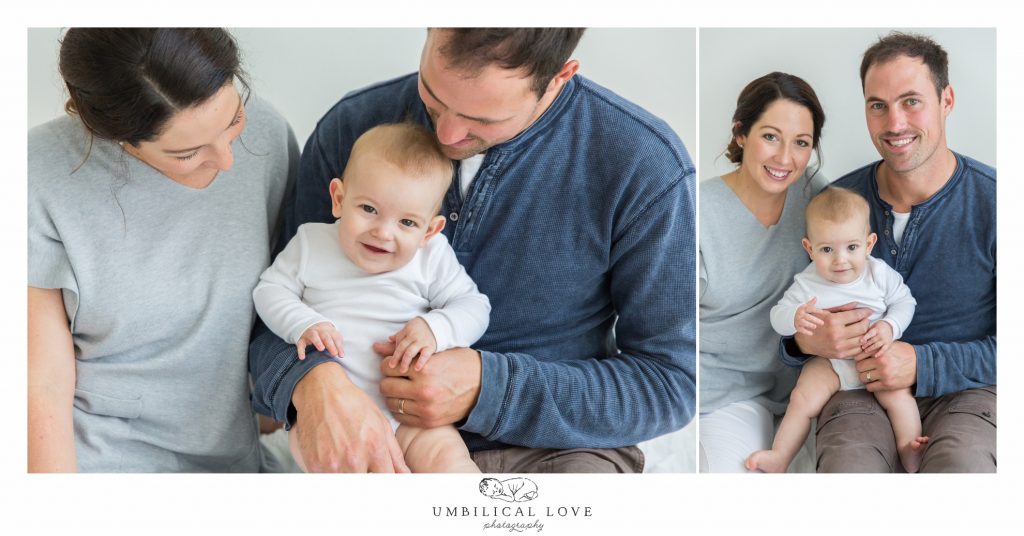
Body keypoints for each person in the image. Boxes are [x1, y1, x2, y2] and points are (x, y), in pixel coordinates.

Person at [249, 28, 696, 473]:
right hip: (365, 426)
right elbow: (269, 315)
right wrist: (311, 381)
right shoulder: (352, 126)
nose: (445, 134)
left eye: (483, 119)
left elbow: (670, 384)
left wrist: (490, 389)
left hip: (555, 449)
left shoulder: (644, 165)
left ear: (559, 77)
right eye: (432, 96)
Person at [28, 28, 297, 472]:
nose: (227, 161)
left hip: (235, 458)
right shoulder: (36, 173)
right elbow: (42, 385)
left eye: (233, 121)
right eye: (187, 153)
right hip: (100, 463)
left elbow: (295, 295)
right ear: (116, 136)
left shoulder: (268, 136)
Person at [781, 31, 996, 473]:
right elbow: (800, 311)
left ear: (947, 100)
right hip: (854, 388)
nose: (894, 123)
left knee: (963, 470)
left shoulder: (997, 202)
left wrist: (922, 363)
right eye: (877, 105)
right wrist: (803, 342)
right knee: (847, 471)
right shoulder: (835, 204)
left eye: (911, 101)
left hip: (966, 392)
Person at [253, 123, 489, 473]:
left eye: (407, 223)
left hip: (411, 416)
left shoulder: (432, 256)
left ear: (430, 230)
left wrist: (435, 328)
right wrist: (303, 323)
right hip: (334, 417)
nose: (383, 232)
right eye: (368, 209)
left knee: (450, 464)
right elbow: (269, 290)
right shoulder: (312, 243)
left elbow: (474, 306)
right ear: (339, 199)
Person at [698, 71, 828, 473]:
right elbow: (662, 324)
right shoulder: (696, 212)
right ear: (741, 133)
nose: (785, 159)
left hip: (794, 395)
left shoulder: (813, 194)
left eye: (801, 143)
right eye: (771, 136)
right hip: (714, 397)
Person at [747, 187, 925, 473]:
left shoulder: (878, 273)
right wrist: (795, 317)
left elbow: (905, 302)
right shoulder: (806, 283)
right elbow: (776, 316)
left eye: (851, 247)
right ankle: (780, 455)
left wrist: (889, 327)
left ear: (869, 244)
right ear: (809, 249)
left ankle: (909, 449)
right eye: (827, 249)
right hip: (829, 364)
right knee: (801, 398)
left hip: (875, 356)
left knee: (898, 396)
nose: (840, 260)